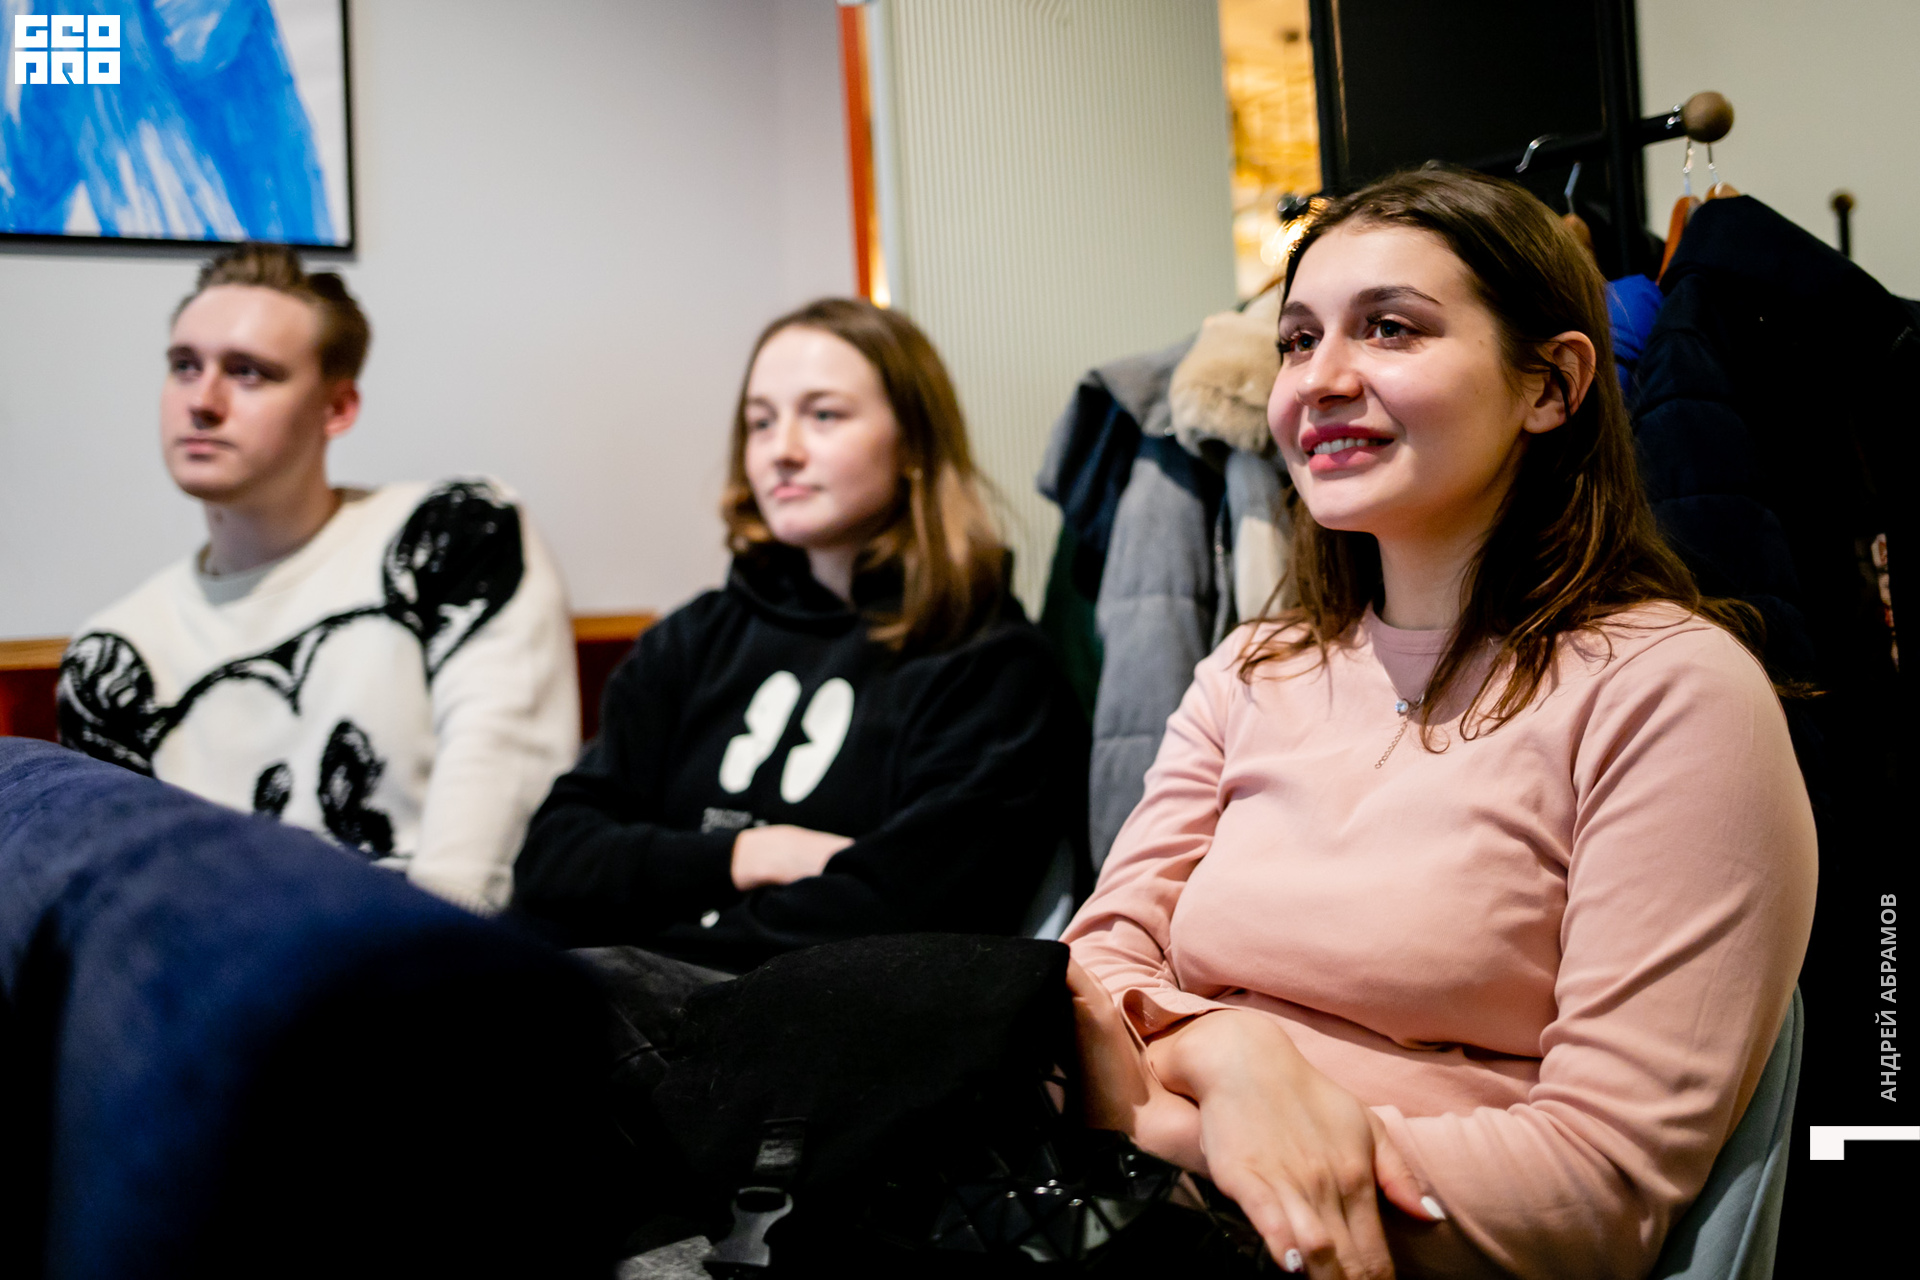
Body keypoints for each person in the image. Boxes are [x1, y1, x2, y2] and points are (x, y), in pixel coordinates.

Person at [1063, 169, 1817, 1280]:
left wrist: (1198, 1137)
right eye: (1298, 338)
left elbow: (1598, 1186)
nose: (1320, 379)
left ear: (1552, 385)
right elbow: (1087, 974)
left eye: (1390, 329)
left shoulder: (1671, 694)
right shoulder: (1248, 671)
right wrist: (1231, 1054)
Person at [512, 297, 1087, 977]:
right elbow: (552, 858)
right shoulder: (693, 638)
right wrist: (749, 855)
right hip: (612, 1002)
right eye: (760, 422)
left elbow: (899, 917)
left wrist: (639, 951)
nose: (781, 451)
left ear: (913, 443)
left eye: (824, 415)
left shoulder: (990, 666)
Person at [57, 244, 579, 915]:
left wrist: (427, 959)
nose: (202, 401)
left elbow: (497, 782)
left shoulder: (455, 533)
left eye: (248, 373)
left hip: (451, 954)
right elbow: (130, 899)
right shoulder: (114, 653)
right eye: (184, 366)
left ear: (337, 407)